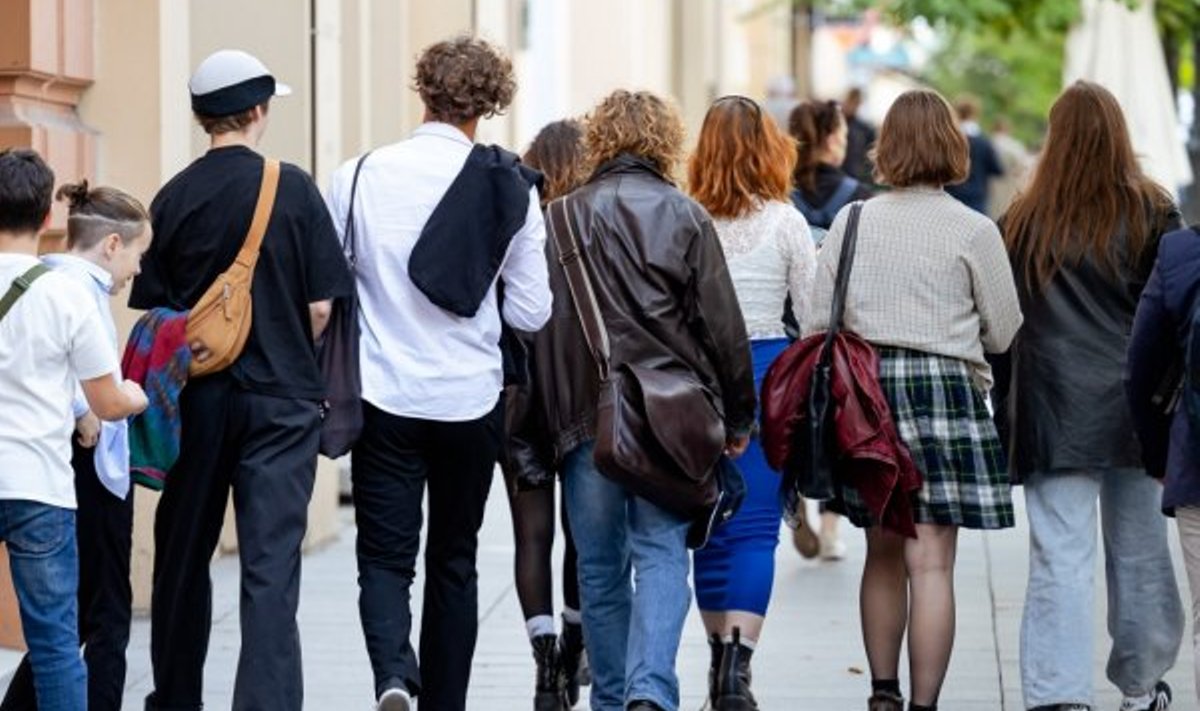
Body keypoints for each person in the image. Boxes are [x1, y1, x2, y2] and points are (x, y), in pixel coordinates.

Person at [325, 36, 551, 711]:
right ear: (489, 103)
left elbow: (334, 283)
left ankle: (394, 673)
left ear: (423, 91)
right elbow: (534, 311)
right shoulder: (509, 186)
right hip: (469, 397)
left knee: (385, 556)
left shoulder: (358, 174)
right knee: (455, 559)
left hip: (384, 395)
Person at [129, 49, 353, 711]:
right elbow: (321, 306)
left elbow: (158, 310)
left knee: (183, 553)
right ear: (258, 110)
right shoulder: (295, 187)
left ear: (204, 118)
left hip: (197, 399)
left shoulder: (173, 196)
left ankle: (176, 698)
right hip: (282, 402)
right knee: (269, 566)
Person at [804, 89, 1022, 711]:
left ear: (887, 148)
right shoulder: (975, 230)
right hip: (945, 398)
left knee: (882, 553)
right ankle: (925, 704)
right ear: (953, 146)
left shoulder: (853, 221)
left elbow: (819, 322)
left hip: (866, 400)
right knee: (932, 567)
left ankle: (882, 693)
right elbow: (1005, 331)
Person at [540, 89, 755, 711]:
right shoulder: (685, 216)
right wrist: (738, 416)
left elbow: (541, 325)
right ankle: (650, 692)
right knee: (662, 555)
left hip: (588, 418)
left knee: (600, 568)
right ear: (665, 141)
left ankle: (612, 698)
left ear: (597, 141)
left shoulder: (559, 218)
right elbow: (722, 326)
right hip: (670, 419)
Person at [1002, 80, 1184, 711]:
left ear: (1055, 137)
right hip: (1138, 407)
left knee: (1059, 555)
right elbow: (1174, 312)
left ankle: (1058, 696)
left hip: (1053, 407)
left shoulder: (1022, 219)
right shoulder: (1152, 209)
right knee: (1139, 555)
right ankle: (1140, 687)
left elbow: (1004, 322)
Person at [0, 148, 147, 710]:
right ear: (46, 219)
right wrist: (136, 394)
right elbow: (107, 402)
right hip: (40, 486)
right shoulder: (65, 294)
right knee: (57, 644)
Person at [686, 95, 815, 708]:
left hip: (694, 383)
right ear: (768, 149)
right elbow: (815, 316)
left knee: (706, 526)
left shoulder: (685, 217)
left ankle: (716, 657)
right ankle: (737, 666)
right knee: (757, 528)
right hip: (766, 377)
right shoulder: (787, 222)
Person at [502, 119, 590, 710]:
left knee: (529, 536)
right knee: (583, 535)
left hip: (518, 399)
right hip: (581, 398)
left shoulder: (516, 221)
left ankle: (545, 664)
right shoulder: (593, 225)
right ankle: (577, 643)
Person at [945, 97, 1004, 215]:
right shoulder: (984, 141)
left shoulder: (947, 139)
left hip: (949, 196)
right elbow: (998, 170)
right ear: (975, 114)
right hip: (975, 199)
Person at [986, 117, 1033, 220]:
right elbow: (1023, 167)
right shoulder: (1015, 145)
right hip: (1009, 186)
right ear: (1008, 129)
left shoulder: (987, 143)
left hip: (990, 186)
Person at [841, 87, 877, 186]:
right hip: (841, 176)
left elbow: (871, 155)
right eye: (851, 101)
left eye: (856, 103)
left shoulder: (864, 128)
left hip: (858, 177)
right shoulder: (835, 124)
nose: (852, 106)